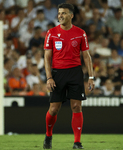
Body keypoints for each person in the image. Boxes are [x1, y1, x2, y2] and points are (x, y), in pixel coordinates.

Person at [43, 3, 95, 149]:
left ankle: (77, 142)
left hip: (75, 73)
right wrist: (49, 77)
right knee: (54, 109)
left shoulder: (80, 33)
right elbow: (47, 57)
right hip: (57, 73)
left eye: (64, 13)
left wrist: (91, 77)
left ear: (71, 16)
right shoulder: (51, 32)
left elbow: (86, 56)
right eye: (59, 13)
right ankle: (48, 135)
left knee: (77, 106)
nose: (60, 15)